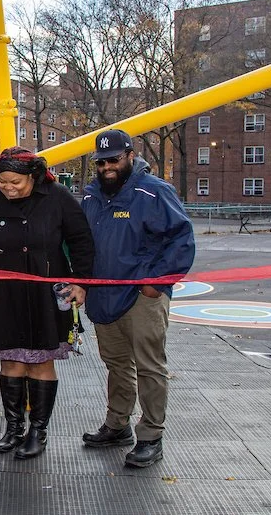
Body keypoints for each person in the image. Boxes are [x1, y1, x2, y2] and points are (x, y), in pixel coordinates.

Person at [0, 147, 94, 459]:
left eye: (15, 182)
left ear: (33, 177)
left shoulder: (58, 197)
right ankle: (13, 427)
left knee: (40, 360)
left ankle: (38, 430)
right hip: (2, 291)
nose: (8, 188)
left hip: (43, 291)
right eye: (2, 181)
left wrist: (80, 281)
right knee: (9, 359)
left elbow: (81, 241)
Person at [80, 128, 194, 468]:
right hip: (103, 294)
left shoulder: (155, 192)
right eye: (100, 162)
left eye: (113, 160)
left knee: (149, 366)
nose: (106, 168)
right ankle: (118, 424)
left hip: (142, 295)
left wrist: (155, 283)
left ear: (131, 155)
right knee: (115, 363)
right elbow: (80, 243)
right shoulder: (90, 197)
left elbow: (181, 239)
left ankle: (151, 435)